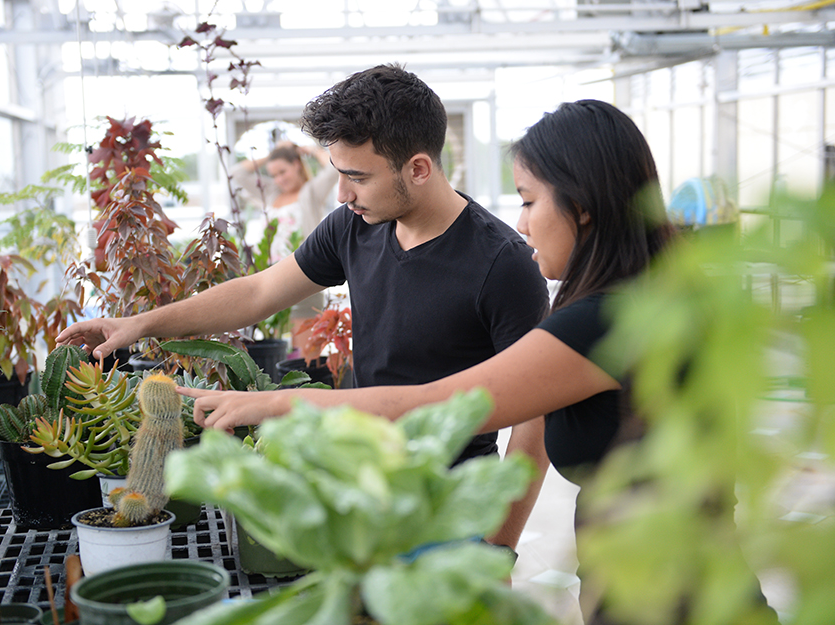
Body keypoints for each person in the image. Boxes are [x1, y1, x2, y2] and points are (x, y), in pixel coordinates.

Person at [175, 99, 779, 624]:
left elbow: (438, 402)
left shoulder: (608, 320)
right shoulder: (649, 296)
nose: (522, 224)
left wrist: (275, 401)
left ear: (585, 206)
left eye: (529, 200)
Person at [56, 63, 551, 550]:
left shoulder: (503, 264)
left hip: (450, 508)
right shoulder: (353, 226)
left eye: (357, 176)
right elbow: (256, 293)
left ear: (418, 168)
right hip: (360, 485)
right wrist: (139, 324)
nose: (341, 194)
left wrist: (498, 543)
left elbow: (537, 414)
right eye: (337, 174)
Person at [231, 140, 338, 350]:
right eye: (274, 174)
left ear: (297, 164)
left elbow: (334, 168)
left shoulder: (310, 192)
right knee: (278, 342)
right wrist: (272, 155)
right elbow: (236, 174)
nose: (279, 179)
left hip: (304, 275)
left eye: (283, 171)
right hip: (272, 276)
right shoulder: (271, 193)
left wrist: (308, 150)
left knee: (306, 345)